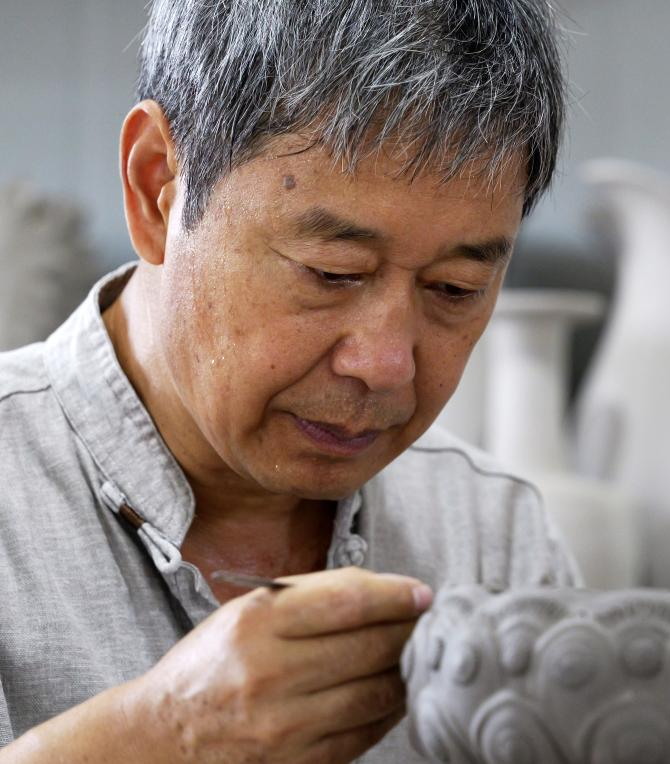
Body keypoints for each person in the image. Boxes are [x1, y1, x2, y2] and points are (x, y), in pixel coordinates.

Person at [0, 1, 579, 761]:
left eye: (454, 289)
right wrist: (161, 734)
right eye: (331, 273)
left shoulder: (489, 537)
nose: (385, 365)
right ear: (157, 188)